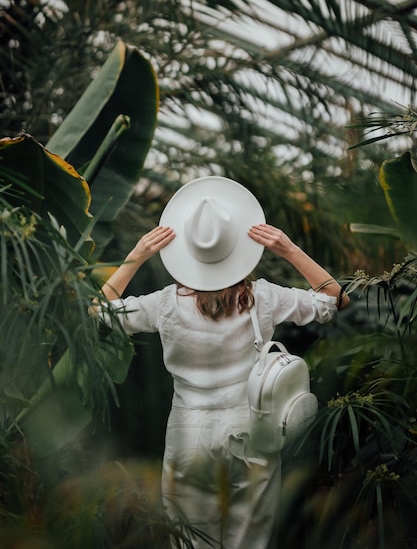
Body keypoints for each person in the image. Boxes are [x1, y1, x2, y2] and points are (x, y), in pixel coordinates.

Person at [95, 176, 349, 549]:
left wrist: (138, 254)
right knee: (252, 539)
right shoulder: (264, 298)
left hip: (188, 431)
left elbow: (99, 310)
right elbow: (334, 299)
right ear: (238, 248)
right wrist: (289, 249)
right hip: (253, 427)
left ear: (186, 251)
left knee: (191, 539)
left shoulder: (163, 305)